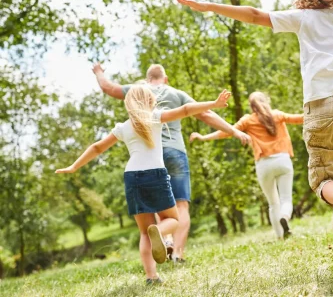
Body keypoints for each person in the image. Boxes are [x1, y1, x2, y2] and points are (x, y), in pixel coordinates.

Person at [177, 0, 333, 267]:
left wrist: (209, 6)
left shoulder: (304, 19)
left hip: (321, 106)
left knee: (325, 178)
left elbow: (255, 14)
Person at [55, 85, 232, 284]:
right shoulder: (155, 117)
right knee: (172, 219)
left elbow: (97, 147)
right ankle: (160, 231)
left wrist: (74, 166)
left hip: (132, 177)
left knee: (143, 232)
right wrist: (214, 104)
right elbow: (185, 110)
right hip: (155, 174)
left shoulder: (123, 127)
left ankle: (151, 276)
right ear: (149, 101)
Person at [92, 63, 250, 262]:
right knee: (181, 206)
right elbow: (204, 113)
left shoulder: (137, 91)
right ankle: (178, 253)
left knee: (160, 204)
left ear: (147, 79)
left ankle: (166, 239)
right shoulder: (176, 93)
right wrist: (234, 131)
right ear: (165, 79)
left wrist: (98, 71)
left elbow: (108, 88)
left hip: (149, 157)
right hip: (175, 152)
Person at [191, 91, 303, 239]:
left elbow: (227, 131)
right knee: (285, 200)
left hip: (264, 165)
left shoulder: (248, 120)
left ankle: (280, 237)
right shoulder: (277, 115)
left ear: (251, 106)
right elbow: (300, 118)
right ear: (266, 101)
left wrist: (203, 137)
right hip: (283, 160)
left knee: (273, 203)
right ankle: (285, 216)